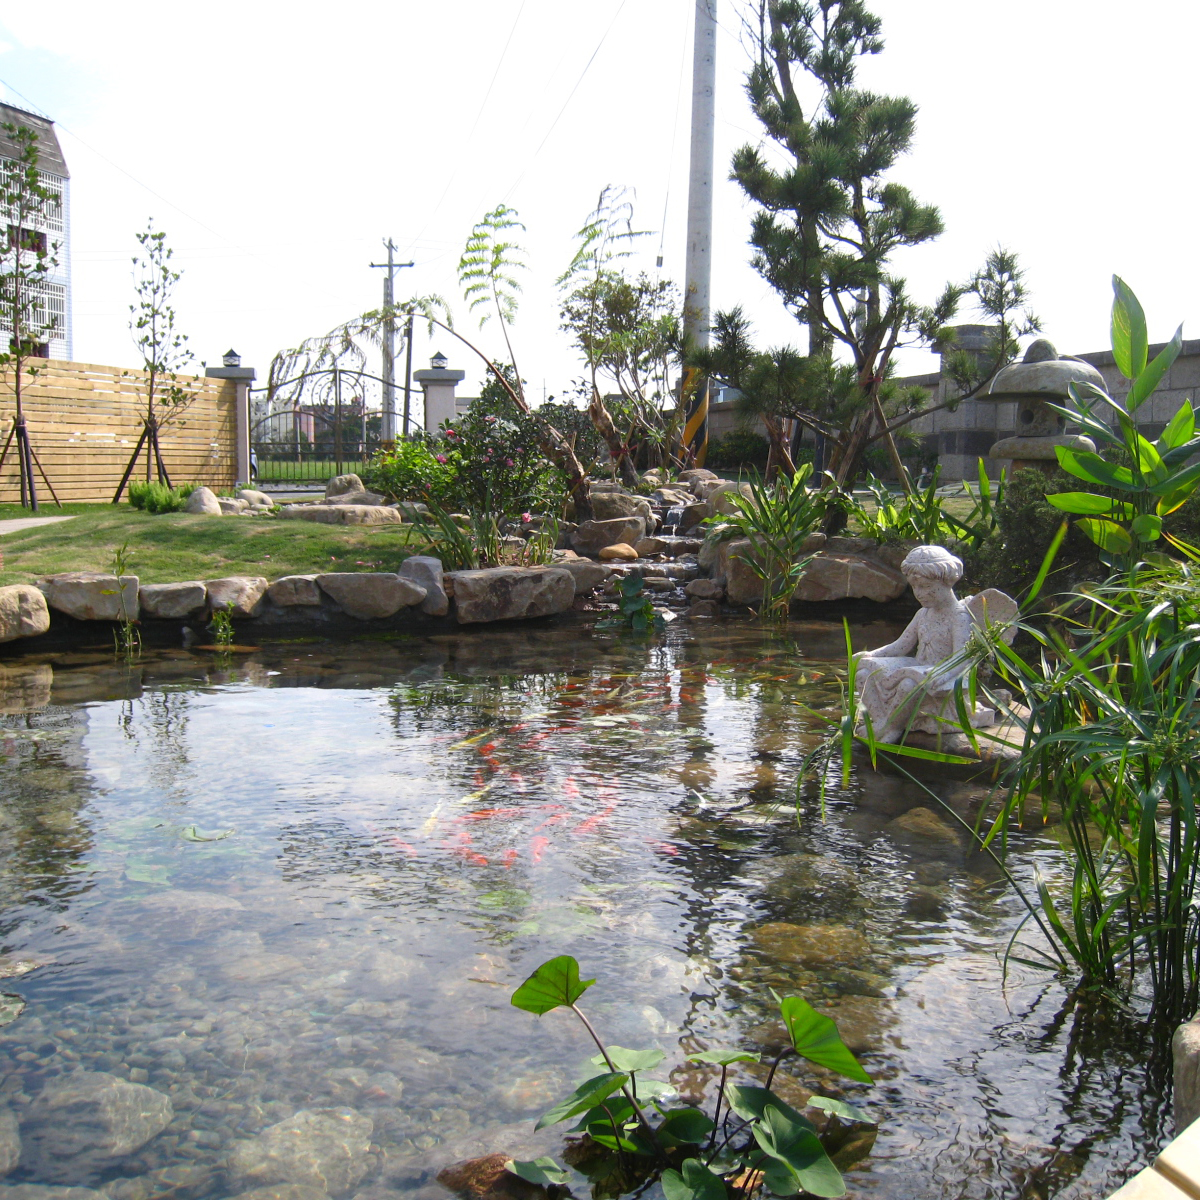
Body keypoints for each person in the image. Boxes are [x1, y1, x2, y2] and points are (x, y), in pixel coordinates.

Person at [853, 545, 1015, 742]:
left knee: (908, 683)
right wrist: (871, 655)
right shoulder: (923, 614)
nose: (919, 593)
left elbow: (962, 657)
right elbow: (901, 646)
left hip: (946, 676)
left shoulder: (960, 617)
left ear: (947, 582)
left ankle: (891, 728)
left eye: (926, 587)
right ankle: (880, 722)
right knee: (863, 673)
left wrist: (941, 673)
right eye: (915, 587)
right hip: (921, 670)